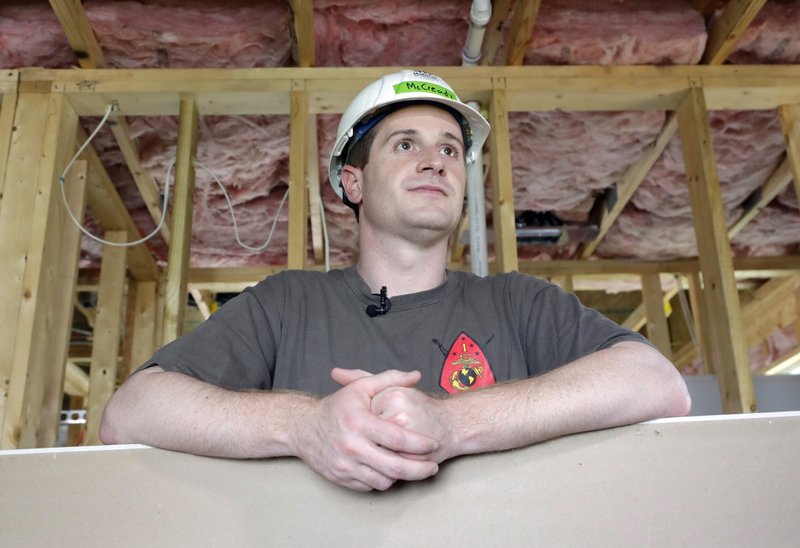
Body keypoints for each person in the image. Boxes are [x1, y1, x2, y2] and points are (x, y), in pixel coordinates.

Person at [100, 70, 690, 492]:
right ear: (352, 184)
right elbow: (131, 412)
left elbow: (656, 383)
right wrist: (304, 426)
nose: (436, 161)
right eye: (405, 144)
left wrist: (453, 424)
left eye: (451, 149)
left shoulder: (518, 302)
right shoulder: (285, 304)